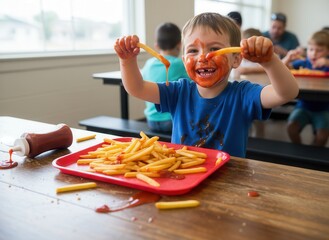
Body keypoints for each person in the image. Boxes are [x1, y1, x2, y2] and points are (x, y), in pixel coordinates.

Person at [114, 12, 298, 157]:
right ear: (184, 59)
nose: (202, 57)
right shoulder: (178, 91)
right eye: (193, 50)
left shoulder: (243, 95)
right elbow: (136, 88)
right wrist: (127, 60)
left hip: (228, 179)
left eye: (215, 49)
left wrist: (270, 61)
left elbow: (286, 93)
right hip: (183, 174)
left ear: (236, 59)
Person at [282, 30, 329, 146]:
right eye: (311, 50)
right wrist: (288, 58)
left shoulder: (327, 65)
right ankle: (299, 150)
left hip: (323, 109)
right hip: (303, 106)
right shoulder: (304, 62)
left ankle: (315, 153)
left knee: (322, 137)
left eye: (319, 50)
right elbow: (282, 69)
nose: (314, 54)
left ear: (327, 51)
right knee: (291, 128)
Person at [141, 22, 188, 133]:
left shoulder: (148, 64)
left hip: (151, 120)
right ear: (180, 44)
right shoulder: (179, 64)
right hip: (171, 121)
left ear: (156, 45)